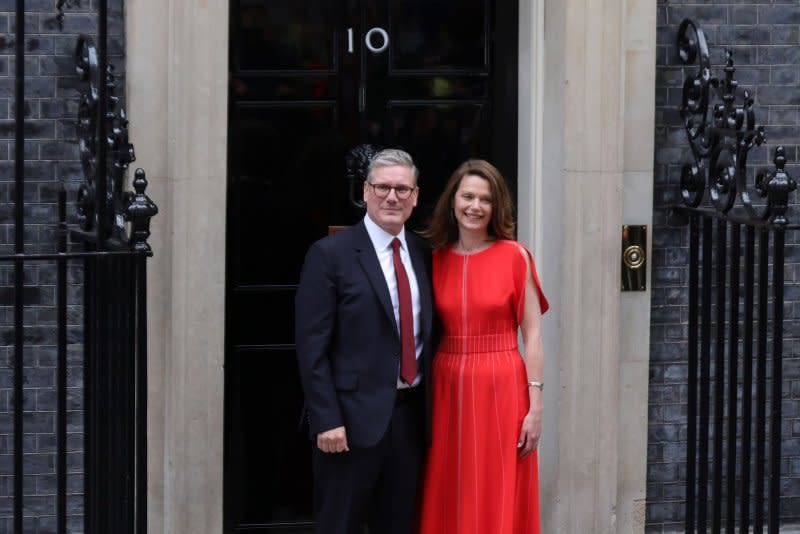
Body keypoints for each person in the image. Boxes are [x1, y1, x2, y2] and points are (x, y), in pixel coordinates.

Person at [295, 149, 435, 534]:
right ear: (366, 191)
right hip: (348, 426)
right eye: (383, 187)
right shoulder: (330, 254)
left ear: (416, 196)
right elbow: (312, 347)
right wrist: (326, 419)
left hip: (409, 422)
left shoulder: (425, 254)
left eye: (402, 189)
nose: (392, 197)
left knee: (399, 524)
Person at [418, 159, 549, 534]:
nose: (475, 206)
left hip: (502, 383)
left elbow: (534, 335)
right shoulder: (434, 259)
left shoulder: (514, 255)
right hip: (447, 385)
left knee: (497, 484)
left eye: (485, 199)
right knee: (449, 483)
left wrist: (535, 405)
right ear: (452, 201)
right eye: (468, 196)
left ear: (496, 207)